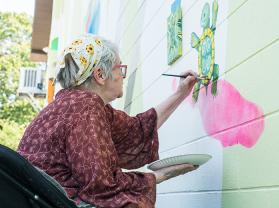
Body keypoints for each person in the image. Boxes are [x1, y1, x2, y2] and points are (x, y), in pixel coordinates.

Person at [17, 34, 198, 208]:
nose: (123, 75)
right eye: (120, 67)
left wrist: (180, 93)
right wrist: (160, 175)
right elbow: (100, 187)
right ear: (100, 75)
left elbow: (138, 130)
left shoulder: (73, 103)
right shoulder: (85, 107)